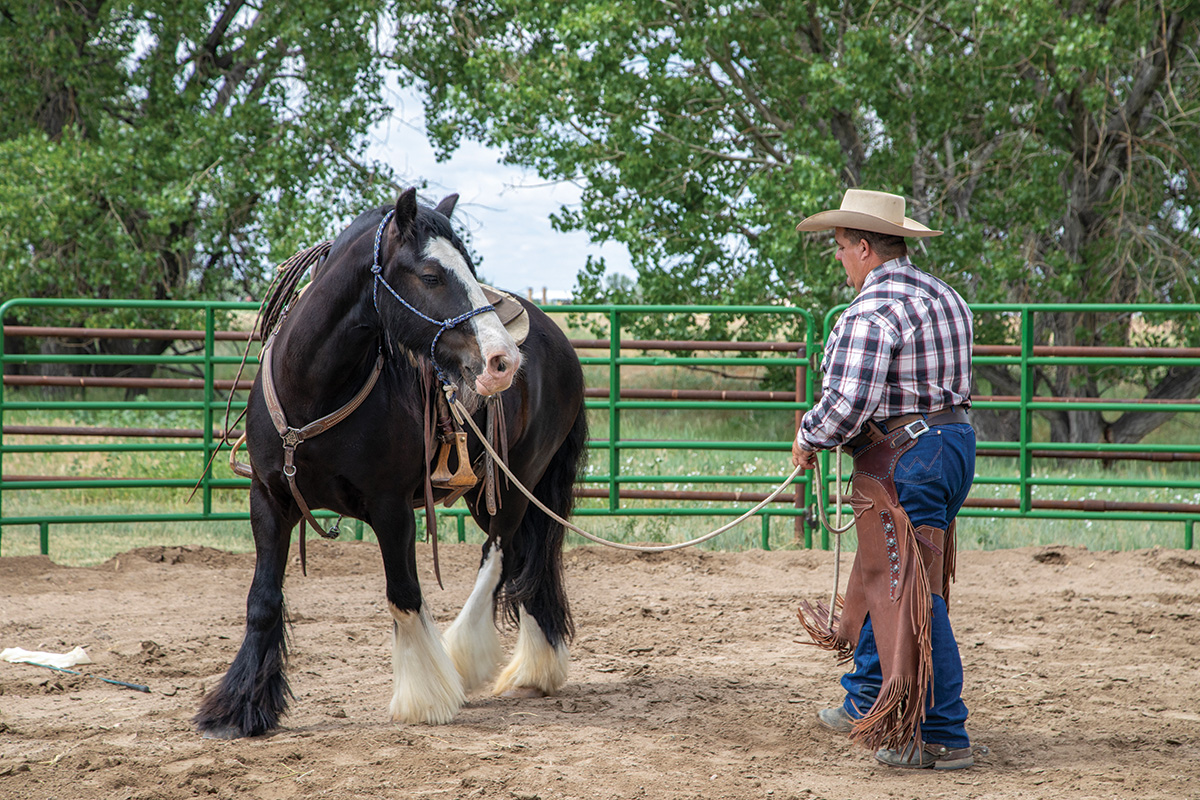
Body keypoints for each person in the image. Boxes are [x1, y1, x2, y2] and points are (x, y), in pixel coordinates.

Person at [790, 189, 976, 770]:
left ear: (865, 248)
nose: (841, 259)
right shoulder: (945, 297)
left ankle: (943, 734)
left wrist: (808, 435)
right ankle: (868, 697)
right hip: (950, 445)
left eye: (842, 248)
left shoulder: (871, 313)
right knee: (892, 574)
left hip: (902, 457)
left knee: (910, 593)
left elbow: (849, 402)